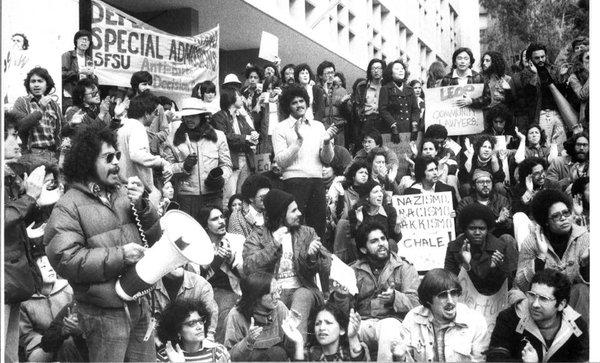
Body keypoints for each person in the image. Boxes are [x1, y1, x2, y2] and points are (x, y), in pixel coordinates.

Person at [44, 123, 162, 361]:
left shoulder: (122, 193)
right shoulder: (68, 205)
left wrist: (143, 207)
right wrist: (121, 256)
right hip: (103, 314)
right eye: (108, 157)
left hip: (138, 304)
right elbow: (65, 259)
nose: (117, 163)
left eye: (117, 155)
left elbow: (154, 237)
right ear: (88, 161)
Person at [243, 189, 330, 341]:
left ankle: (297, 350)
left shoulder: (307, 233)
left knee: (301, 296)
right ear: (281, 214)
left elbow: (327, 267)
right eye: (294, 211)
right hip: (274, 293)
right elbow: (248, 268)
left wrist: (311, 257)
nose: (299, 214)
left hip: (304, 289)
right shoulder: (257, 236)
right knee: (275, 302)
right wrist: (273, 245)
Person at [331, 221, 420, 361]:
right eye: (374, 241)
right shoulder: (352, 271)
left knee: (389, 328)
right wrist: (341, 296)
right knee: (339, 332)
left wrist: (394, 298)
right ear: (363, 249)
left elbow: (416, 305)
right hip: (362, 323)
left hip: (393, 322)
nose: (381, 244)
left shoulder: (404, 268)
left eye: (383, 239)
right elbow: (343, 313)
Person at [3, 112, 42, 363]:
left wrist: (30, 199)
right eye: (13, 135)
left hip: (12, 279)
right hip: (5, 278)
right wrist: (29, 199)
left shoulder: (8, 174)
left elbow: (15, 223)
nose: (19, 142)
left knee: (9, 350)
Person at [273, 85, 337, 237]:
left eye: (301, 101)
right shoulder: (280, 128)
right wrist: (298, 142)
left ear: (307, 103)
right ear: (288, 106)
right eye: (294, 102)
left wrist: (327, 142)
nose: (299, 105)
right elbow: (281, 161)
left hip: (317, 181)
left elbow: (327, 159)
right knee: (295, 228)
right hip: (293, 183)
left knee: (318, 228)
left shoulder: (318, 126)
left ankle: (318, 259)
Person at [515, 189, 589, 319]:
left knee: (582, 290)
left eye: (566, 213)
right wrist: (541, 257)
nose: (564, 218)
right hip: (541, 300)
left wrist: (585, 265)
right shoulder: (531, 242)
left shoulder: (583, 237)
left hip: (572, 300)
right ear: (546, 221)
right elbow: (521, 284)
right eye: (556, 216)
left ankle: (581, 337)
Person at [487, 269, 588, 362]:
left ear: (561, 304)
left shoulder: (576, 326)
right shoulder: (510, 317)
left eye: (543, 299)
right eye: (532, 295)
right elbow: (495, 358)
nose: (535, 304)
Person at [393, 268, 487, 362]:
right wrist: (400, 358)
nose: (450, 301)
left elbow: (480, 360)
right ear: (428, 300)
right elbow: (403, 356)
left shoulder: (475, 322)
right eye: (443, 295)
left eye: (454, 293)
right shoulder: (412, 319)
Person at [167, 97, 233, 216]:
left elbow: (227, 165)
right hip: (186, 198)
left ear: (202, 116)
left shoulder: (219, 136)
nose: (188, 119)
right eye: (186, 116)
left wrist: (220, 178)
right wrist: (184, 166)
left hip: (213, 196)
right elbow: (167, 170)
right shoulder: (172, 138)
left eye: (193, 116)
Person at [445, 203, 517, 295]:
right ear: (465, 229)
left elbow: (507, 286)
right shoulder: (453, 248)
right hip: (464, 296)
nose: (477, 232)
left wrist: (496, 269)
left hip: (492, 298)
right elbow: (448, 283)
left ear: (487, 229)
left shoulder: (499, 247)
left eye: (482, 228)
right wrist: (465, 265)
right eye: (472, 228)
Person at [197, 206, 244, 343]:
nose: (221, 221)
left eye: (222, 217)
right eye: (215, 219)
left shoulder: (237, 240)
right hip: (209, 293)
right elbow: (198, 278)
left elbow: (246, 273)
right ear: (205, 225)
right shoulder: (199, 245)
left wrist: (230, 260)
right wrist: (216, 260)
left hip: (234, 290)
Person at [117, 92, 173, 208]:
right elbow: (137, 154)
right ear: (147, 114)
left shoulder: (123, 127)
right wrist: (161, 162)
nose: (155, 116)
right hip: (138, 193)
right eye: (155, 113)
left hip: (125, 190)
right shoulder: (138, 127)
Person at [512, 43, 571, 150]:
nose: (541, 60)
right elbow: (529, 94)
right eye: (537, 58)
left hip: (557, 113)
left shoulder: (553, 70)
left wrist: (562, 78)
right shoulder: (526, 73)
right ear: (530, 59)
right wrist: (535, 75)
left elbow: (561, 94)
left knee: (561, 146)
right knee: (545, 147)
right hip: (541, 115)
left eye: (543, 57)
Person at [224, 272, 291, 361]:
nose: (278, 296)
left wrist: (293, 334)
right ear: (257, 296)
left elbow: (291, 351)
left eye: (278, 291)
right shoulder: (235, 315)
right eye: (272, 294)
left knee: (277, 352)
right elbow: (230, 357)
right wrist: (248, 341)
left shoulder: (280, 307)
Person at [19, 254, 73, 362]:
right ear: (33, 271)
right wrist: (46, 341)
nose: (50, 269)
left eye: (51, 264)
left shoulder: (68, 289)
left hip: (68, 337)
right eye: (44, 267)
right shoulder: (25, 301)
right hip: (40, 344)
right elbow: (26, 334)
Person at [211, 87, 259, 208]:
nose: (242, 98)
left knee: (242, 195)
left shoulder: (241, 117)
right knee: (229, 196)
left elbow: (251, 131)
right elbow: (225, 136)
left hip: (245, 160)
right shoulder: (219, 117)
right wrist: (247, 138)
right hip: (230, 160)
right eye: (239, 95)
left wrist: (254, 135)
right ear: (231, 98)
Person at [12, 67, 63, 165]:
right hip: (31, 155)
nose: (36, 84)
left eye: (40, 81)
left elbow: (61, 130)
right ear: (28, 85)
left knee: (53, 180)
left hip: (52, 154)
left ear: (47, 84)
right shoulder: (21, 102)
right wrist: (40, 109)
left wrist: (72, 124)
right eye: (33, 81)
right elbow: (19, 127)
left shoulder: (54, 105)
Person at [154, 266, 219, 343]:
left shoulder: (201, 285)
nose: (178, 263)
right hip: (159, 342)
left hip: (195, 343)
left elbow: (211, 315)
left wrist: (207, 340)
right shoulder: (150, 285)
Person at [282, 303, 369, 361]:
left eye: (328, 323)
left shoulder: (351, 352)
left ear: (341, 330)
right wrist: (299, 343)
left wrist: (353, 337)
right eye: (318, 324)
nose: (322, 328)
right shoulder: (309, 354)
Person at [378, 59, 421, 173]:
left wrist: (415, 124)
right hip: (392, 131)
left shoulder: (410, 89)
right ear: (390, 73)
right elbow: (383, 109)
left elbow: (415, 110)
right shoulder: (385, 89)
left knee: (410, 158)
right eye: (397, 69)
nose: (401, 71)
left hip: (409, 129)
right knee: (394, 161)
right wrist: (393, 125)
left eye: (402, 69)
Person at [156, 300, 230, 362]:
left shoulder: (218, 352)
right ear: (177, 330)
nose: (199, 326)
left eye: (201, 321)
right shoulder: (164, 357)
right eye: (192, 323)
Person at [348, 180, 402, 251]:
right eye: (376, 192)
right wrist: (359, 223)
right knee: (353, 243)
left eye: (381, 191)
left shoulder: (390, 211)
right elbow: (355, 238)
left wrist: (397, 226)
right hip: (366, 248)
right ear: (367, 197)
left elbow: (395, 239)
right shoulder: (356, 211)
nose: (380, 194)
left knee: (391, 243)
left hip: (383, 247)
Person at [456, 169, 513, 237]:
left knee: (507, 238)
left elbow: (510, 225)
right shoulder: (465, 202)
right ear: (474, 185)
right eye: (481, 182)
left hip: (496, 239)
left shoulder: (501, 200)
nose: (485, 185)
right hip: (474, 239)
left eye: (488, 182)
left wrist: (503, 221)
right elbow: (459, 226)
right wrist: (497, 221)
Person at [351, 58, 386, 141]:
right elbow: (357, 106)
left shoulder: (386, 86)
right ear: (370, 71)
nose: (376, 71)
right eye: (373, 68)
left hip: (382, 121)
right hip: (366, 121)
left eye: (378, 68)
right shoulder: (362, 86)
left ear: (383, 70)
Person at [61, 30, 95, 112]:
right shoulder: (68, 55)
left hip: (84, 95)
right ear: (76, 41)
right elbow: (62, 75)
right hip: (70, 94)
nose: (84, 42)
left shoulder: (89, 59)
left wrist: (92, 76)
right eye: (82, 39)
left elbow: (91, 81)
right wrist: (79, 72)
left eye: (87, 40)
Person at [316, 60, 349, 146]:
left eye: (332, 73)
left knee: (339, 155)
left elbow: (348, 114)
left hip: (338, 129)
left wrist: (343, 104)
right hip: (322, 129)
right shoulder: (316, 90)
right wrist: (324, 93)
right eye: (327, 73)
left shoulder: (342, 91)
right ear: (320, 75)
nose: (330, 75)